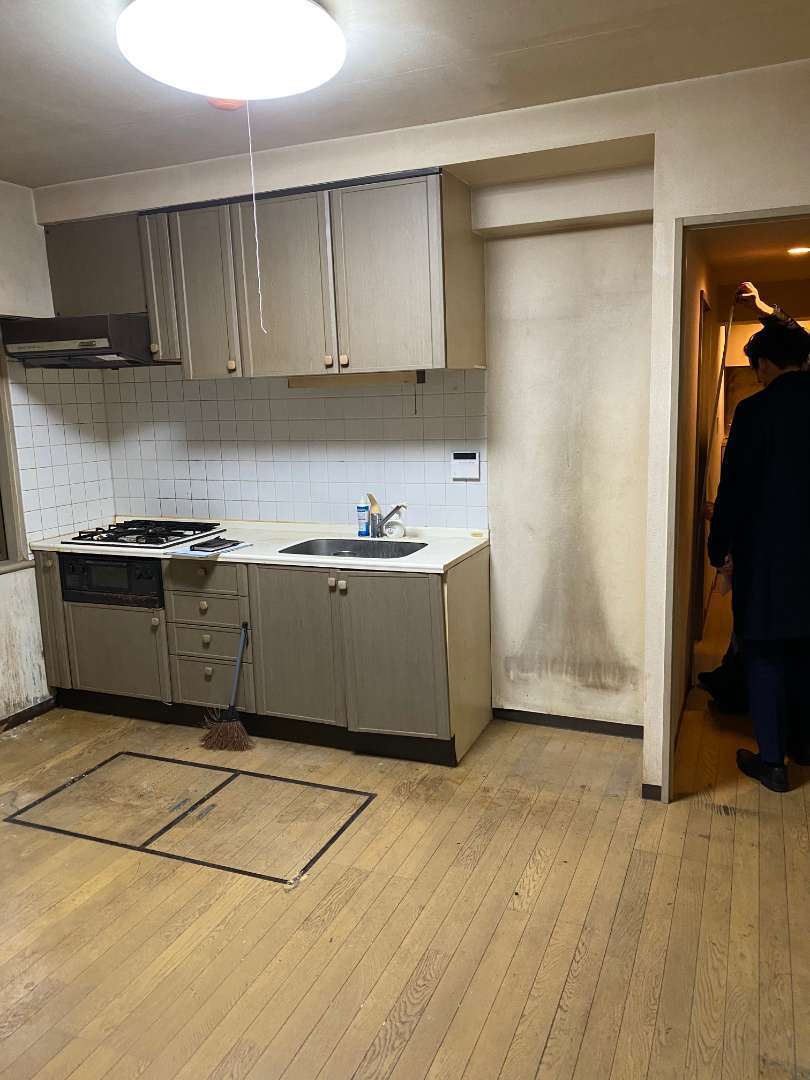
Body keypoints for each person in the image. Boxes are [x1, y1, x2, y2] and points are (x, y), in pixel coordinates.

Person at [707, 292, 810, 791]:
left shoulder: (754, 413)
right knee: (806, 651)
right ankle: (804, 745)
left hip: (769, 560)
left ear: (765, 365)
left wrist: (717, 546)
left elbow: (734, 490)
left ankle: (773, 762)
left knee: (766, 653)